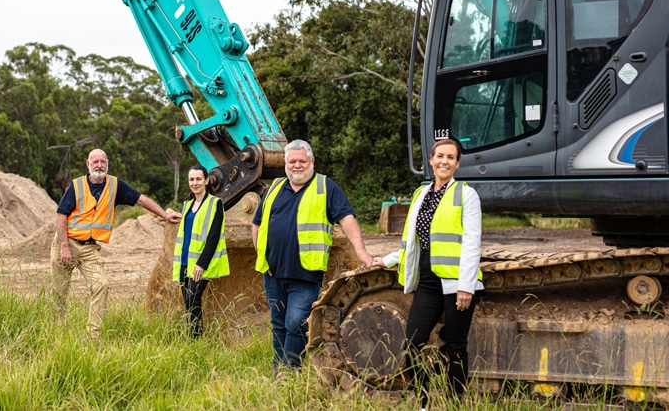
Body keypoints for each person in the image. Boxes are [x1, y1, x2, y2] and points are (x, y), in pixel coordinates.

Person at [252, 139, 375, 371]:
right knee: (278, 323)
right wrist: (261, 254)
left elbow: (347, 218)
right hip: (273, 272)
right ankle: (280, 370)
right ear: (285, 164)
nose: (296, 165)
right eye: (292, 161)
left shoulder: (325, 187)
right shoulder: (274, 188)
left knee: (296, 322)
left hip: (306, 273)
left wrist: (361, 251)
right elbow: (257, 224)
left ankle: (290, 371)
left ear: (312, 161)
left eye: (302, 161)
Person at [382, 137, 483, 409]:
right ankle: (424, 402)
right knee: (413, 341)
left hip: (455, 281)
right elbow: (414, 240)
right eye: (440, 156)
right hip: (427, 279)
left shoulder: (466, 194)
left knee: (455, 346)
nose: (444, 161)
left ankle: (453, 403)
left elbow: (473, 243)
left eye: (451, 157)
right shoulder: (420, 194)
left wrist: (466, 286)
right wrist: (389, 259)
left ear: (457, 163)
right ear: (431, 159)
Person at [52, 148, 182, 337]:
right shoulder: (77, 186)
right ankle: (58, 333)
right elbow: (61, 215)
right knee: (59, 291)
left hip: (89, 248)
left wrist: (164, 215)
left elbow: (141, 200)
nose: (99, 165)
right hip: (66, 243)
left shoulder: (115, 185)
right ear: (88, 165)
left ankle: (92, 336)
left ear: (107, 163)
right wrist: (64, 246)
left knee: (101, 285)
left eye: (102, 161)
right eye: (95, 161)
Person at [172, 164, 229, 338]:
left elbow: (213, 237)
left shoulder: (215, 204)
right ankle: (192, 338)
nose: (195, 183)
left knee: (193, 299)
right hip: (184, 261)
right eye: (191, 179)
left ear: (206, 180)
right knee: (188, 303)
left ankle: (196, 339)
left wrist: (201, 264)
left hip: (200, 263)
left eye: (198, 179)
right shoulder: (187, 205)